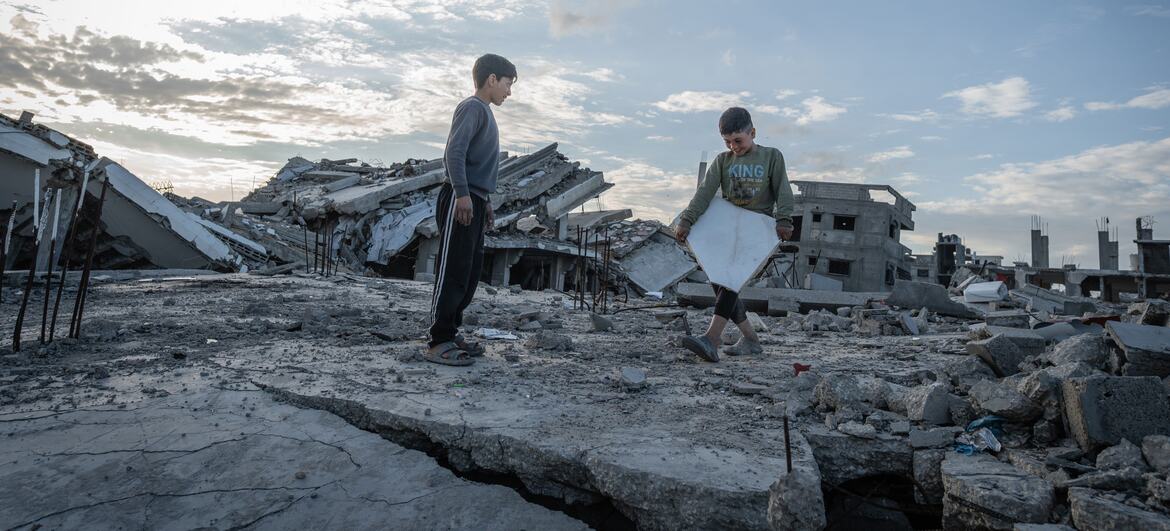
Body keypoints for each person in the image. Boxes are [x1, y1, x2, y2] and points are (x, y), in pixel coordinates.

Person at [675, 106, 794, 362]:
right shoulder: (722, 161)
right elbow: (705, 192)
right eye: (727, 142)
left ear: (752, 132)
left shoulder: (772, 157)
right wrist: (687, 219)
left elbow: (783, 189)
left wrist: (784, 219)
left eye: (738, 140)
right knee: (721, 283)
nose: (733, 147)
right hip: (728, 225)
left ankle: (711, 339)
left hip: (757, 227)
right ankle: (751, 340)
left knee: (729, 282)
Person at [424, 53, 516, 366]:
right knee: (452, 270)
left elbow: (477, 163)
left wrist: (483, 200)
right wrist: (462, 194)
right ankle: (439, 340)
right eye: (507, 84)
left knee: (469, 271)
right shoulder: (472, 107)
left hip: (475, 199)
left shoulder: (486, 113)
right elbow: (454, 153)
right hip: (459, 199)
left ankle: (452, 331)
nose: (509, 91)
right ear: (492, 79)